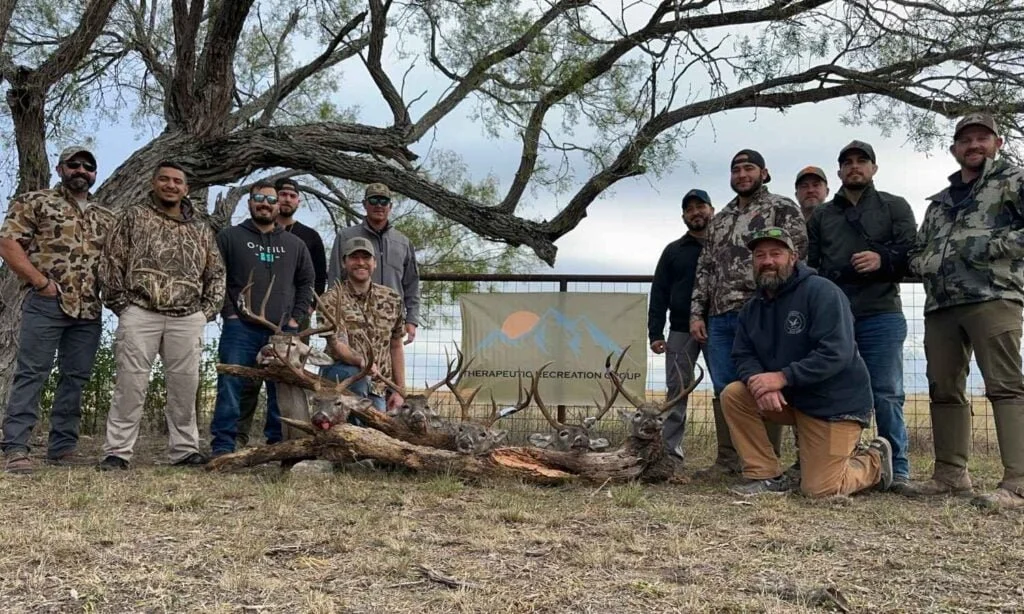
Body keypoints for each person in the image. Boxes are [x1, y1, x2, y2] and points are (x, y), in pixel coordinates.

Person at [906, 112, 1024, 509]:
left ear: (997, 143)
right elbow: (918, 248)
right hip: (942, 305)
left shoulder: (1013, 181)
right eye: (966, 140)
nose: (974, 145)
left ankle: (1018, 482)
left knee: (1005, 386)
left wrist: (987, 247)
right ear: (954, 149)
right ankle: (950, 475)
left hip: (994, 297)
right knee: (943, 388)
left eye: (982, 138)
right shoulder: (940, 202)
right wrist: (926, 263)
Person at [723, 227, 893, 497]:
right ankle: (766, 475)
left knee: (819, 490)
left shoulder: (822, 292)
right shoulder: (751, 308)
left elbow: (836, 352)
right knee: (734, 394)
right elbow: (743, 355)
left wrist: (782, 377)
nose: (767, 261)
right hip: (792, 401)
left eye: (776, 254)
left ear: (793, 257)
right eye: (760, 255)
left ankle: (873, 462)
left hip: (835, 406)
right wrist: (761, 384)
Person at [98, 161, 225, 470]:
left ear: (186, 189)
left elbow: (216, 272)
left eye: (177, 181)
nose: (171, 185)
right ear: (154, 183)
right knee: (130, 384)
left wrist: (205, 312)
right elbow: (112, 261)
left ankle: (184, 451)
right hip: (140, 313)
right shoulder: (133, 216)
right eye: (165, 179)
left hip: (187, 317)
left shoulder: (200, 227)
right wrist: (123, 306)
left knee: (185, 387)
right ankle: (117, 452)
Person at [689, 150, 808, 478]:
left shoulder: (781, 208)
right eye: (736, 169)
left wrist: (787, 305)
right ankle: (729, 461)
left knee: (763, 384)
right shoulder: (721, 218)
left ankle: (767, 462)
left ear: (764, 173)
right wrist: (697, 313)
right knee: (725, 389)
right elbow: (706, 267)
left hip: (763, 311)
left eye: (749, 168)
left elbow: (798, 258)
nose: (742, 174)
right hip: (720, 317)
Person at [807, 140, 917, 491]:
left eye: (862, 161)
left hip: (881, 312)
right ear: (838, 171)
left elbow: (913, 253)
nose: (854, 167)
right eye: (848, 162)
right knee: (830, 391)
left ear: (873, 168)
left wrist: (882, 260)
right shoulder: (823, 215)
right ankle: (837, 462)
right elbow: (811, 265)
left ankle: (897, 470)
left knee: (886, 392)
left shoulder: (894, 206)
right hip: (835, 319)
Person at [0, 146, 115, 474]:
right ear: (60, 168)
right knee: (32, 373)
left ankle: (62, 446)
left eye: (88, 167)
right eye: (74, 165)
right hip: (46, 303)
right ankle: (16, 447)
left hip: (89, 309)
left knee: (75, 377)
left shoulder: (105, 217)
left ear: (94, 174)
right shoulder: (34, 201)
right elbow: (8, 244)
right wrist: (40, 283)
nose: (81, 170)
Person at [209, 180, 315, 458]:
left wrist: (295, 320)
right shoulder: (230, 237)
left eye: (270, 199)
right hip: (239, 327)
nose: (265, 204)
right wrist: (229, 312)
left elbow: (307, 282)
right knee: (231, 384)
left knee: (280, 389)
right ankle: (223, 445)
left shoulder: (294, 244)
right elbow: (216, 276)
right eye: (259, 198)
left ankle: (277, 443)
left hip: (281, 331)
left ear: (278, 204)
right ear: (250, 203)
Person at [234, 177, 327, 448]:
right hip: (255, 318)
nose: (285, 199)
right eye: (281, 194)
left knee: (287, 380)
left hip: (294, 322)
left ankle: (281, 436)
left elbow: (316, 278)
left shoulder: (308, 237)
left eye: (290, 195)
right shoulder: (253, 235)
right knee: (250, 378)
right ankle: (240, 433)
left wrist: (303, 312)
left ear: (297, 201)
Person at [648, 188, 713, 462]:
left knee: (729, 389)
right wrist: (655, 332)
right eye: (689, 209)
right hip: (680, 330)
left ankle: (732, 457)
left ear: (712, 209)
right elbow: (660, 291)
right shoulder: (673, 251)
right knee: (677, 391)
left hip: (720, 326)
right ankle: (669, 455)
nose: (696, 212)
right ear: (684, 216)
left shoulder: (726, 245)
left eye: (701, 206)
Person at [319, 237, 405, 412]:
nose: (360, 263)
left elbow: (396, 346)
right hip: (341, 382)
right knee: (354, 377)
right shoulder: (331, 299)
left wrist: (399, 391)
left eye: (366, 258)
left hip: (377, 387)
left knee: (374, 433)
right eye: (354, 257)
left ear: (374, 263)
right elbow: (336, 344)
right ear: (344, 262)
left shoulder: (392, 299)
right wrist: (361, 362)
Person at [327, 183, 420, 344]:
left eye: (384, 201)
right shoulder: (346, 236)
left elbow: (411, 283)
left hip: (391, 321)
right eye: (374, 200)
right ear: (364, 204)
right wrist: (334, 318)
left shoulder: (403, 242)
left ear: (390, 206)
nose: (379, 205)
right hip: (352, 321)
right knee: (351, 366)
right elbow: (335, 279)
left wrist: (411, 320)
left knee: (390, 366)